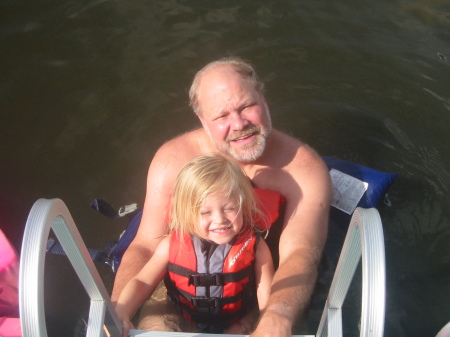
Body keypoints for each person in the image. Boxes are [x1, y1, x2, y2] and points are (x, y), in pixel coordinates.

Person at [111, 57, 332, 336]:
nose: (239, 124)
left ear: (263, 99)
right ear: (203, 120)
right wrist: (117, 310)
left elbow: (301, 254)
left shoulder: (304, 171)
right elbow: (145, 245)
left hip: (251, 291)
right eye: (221, 116)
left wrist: (277, 315)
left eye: (247, 107)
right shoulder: (172, 160)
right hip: (176, 292)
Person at [115, 153, 275, 336]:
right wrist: (123, 310)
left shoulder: (256, 246)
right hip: (183, 315)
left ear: (243, 204)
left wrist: (259, 326)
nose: (220, 219)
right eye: (206, 212)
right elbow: (142, 282)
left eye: (230, 208)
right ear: (187, 214)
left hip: (239, 318)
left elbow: (267, 298)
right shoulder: (171, 245)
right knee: (155, 325)